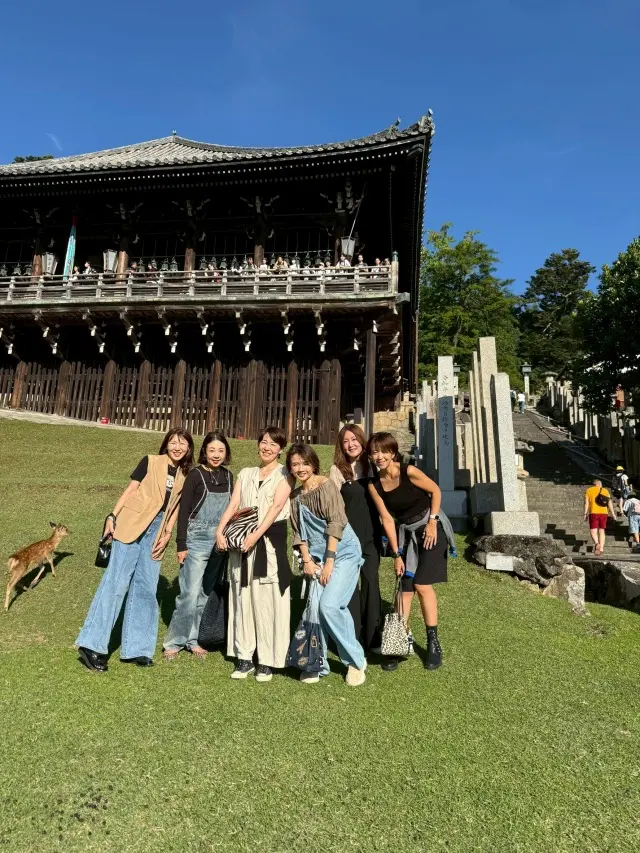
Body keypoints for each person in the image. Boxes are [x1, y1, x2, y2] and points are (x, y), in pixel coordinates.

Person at [76, 428, 194, 672]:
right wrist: (112, 516)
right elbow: (131, 489)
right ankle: (91, 645)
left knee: (147, 587)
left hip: (157, 531)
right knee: (116, 583)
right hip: (132, 523)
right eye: (173, 442)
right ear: (166, 444)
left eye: (182, 443)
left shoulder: (185, 474)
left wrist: (167, 533)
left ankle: (137, 648)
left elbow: (176, 507)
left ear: (188, 448)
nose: (177, 447)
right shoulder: (150, 461)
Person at [216, 426, 292, 682]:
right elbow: (234, 504)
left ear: (280, 449)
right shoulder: (246, 473)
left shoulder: (285, 474)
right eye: (264, 442)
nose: (267, 447)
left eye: (273, 444)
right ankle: (244, 656)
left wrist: (255, 536)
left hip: (267, 545)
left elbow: (276, 507)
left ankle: (267, 660)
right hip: (241, 545)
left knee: (267, 601)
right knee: (242, 599)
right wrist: (220, 530)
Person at [288, 443, 366, 687]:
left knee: (330, 606)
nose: (300, 468)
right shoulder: (295, 497)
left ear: (313, 464)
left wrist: (330, 561)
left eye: (305, 463)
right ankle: (316, 662)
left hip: (343, 553)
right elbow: (299, 532)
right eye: (295, 464)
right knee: (314, 609)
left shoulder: (326, 485)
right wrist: (307, 561)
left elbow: (336, 523)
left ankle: (355, 661)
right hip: (317, 558)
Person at [367, 432, 447, 671]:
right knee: (405, 588)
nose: (379, 456)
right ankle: (397, 643)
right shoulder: (375, 485)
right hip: (407, 535)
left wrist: (432, 521)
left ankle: (433, 643)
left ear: (393, 453)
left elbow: (436, 491)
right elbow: (387, 519)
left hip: (431, 530)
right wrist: (396, 554)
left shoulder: (409, 471)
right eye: (374, 452)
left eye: (384, 451)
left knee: (422, 585)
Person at [162, 432, 233, 660]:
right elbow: (183, 511)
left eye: (220, 450)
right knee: (189, 593)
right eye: (212, 450)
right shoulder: (195, 475)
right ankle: (174, 641)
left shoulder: (229, 476)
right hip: (196, 540)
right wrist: (181, 544)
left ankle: (193, 639)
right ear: (204, 451)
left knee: (205, 593)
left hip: (219, 542)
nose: (216, 455)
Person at [330, 425, 392, 669]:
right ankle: (352, 635)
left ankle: (373, 636)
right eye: (346, 441)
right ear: (341, 445)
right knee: (350, 588)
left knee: (371, 582)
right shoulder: (337, 470)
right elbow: (333, 507)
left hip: (371, 535)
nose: (351, 444)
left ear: (362, 440)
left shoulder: (373, 464)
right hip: (348, 537)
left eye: (354, 439)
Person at [583, 478, 615, 556]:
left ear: (594, 484)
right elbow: (609, 503)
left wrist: (585, 514)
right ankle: (601, 549)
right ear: (599, 484)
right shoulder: (605, 490)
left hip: (593, 513)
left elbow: (586, 503)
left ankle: (597, 543)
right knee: (602, 531)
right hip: (604, 513)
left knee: (593, 531)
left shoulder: (589, 490)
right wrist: (613, 514)